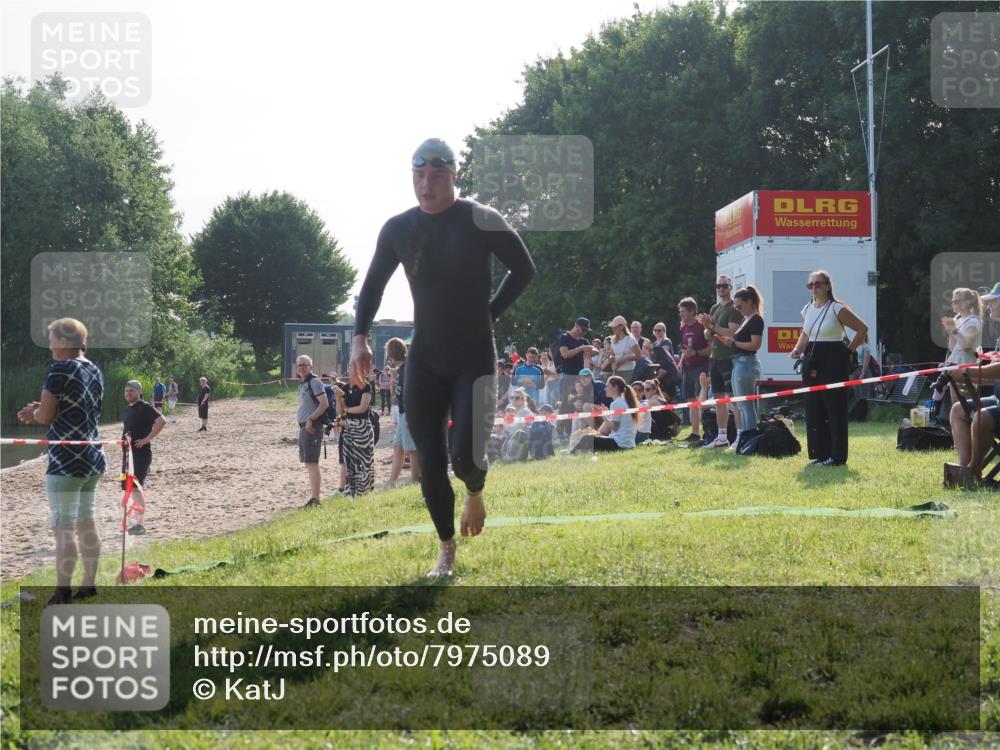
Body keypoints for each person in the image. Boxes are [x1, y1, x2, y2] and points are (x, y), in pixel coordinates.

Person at [350, 137, 534, 576]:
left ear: (454, 176)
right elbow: (373, 285)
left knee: (465, 457)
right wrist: (359, 337)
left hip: (473, 356)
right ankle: (446, 548)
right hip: (426, 358)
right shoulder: (398, 228)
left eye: (436, 174)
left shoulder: (480, 219)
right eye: (419, 175)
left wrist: (489, 314)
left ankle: (475, 488)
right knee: (428, 462)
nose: (426, 183)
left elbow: (524, 269)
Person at [17, 318, 106, 604]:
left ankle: (62, 593)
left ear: (65, 343)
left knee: (63, 527)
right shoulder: (93, 369)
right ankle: (89, 585)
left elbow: (46, 416)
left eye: (52, 338)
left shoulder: (59, 369)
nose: (50, 345)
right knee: (86, 522)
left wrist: (35, 413)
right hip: (93, 457)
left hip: (66, 461)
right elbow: (74, 408)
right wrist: (41, 408)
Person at [789, 270, 869, 466]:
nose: (814, 288)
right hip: (812, 359)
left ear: (827, 286)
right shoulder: (807, 308)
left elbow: (862, 329)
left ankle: (837, 456)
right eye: (811, 285)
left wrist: (848, 350)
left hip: (833, 358)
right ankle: (820, 453)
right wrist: (798, 349)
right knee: (814, 406)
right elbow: (805, 334)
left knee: (835, 408)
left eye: (818, 284)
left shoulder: (836, 308)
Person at [697, 275, 743, 448]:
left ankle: (739, 436)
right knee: (718, 399)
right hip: (714, 358)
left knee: (733, 399)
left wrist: (712, 327)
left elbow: (731, 333)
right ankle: (722, 437)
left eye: (724, 286)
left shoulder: (734, 308)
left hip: (729, 358)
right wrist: (708, 327)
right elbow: (707, 335)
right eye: (718, 286)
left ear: (730, 287)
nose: (721, 289)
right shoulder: (715, 307)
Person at [718, 285, 765, 450]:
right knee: (741, 405)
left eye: (740, 306)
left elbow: (755, 344)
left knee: (746, 406)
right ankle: (745, 439)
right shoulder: (746, 319)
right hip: (739, 362)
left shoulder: (756, 319)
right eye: (736, 307)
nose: (738, 309)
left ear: (750, 302)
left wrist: (734, 343)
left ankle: (750, 439)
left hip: (746, 363)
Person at [121, 380, 166, 534]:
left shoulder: (145, 407)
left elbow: (161, 421)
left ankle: (140, 525)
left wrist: (147, 439)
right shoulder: (128, 409)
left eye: (132, 391)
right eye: (126, 391)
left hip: (140, 455)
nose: (128, 393)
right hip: (128, 455)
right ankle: (136, 522)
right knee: (129, 488)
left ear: (139, 392)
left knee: (135, 487)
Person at [571, 375, 638, 452]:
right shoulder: (624, 401)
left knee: (588, 437)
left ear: (615, 387)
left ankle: (572, 453)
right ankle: (576, 451)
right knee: (592, 438)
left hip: (620, 443)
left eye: (607, 386)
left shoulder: (616, 403)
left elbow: (613, 427)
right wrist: (606, 414)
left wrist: (602, 414)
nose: (605, 389)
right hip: (628, 443)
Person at [557, 318, 600, 436]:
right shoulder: (564, 337)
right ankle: (561, 432)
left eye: (586, 331)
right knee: (566, 404)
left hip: (580, 378)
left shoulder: (583, 340)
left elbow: (596, 350)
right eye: (583, 329)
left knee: (579, 403)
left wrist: (589, 351)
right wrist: (580, 349)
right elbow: (565, 354)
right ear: (576, 325)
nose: (584, 332)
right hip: (568, 376)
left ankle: (575, 431)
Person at [296, 355, 329, 508]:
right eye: (299, 365)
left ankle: (316, 499)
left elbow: (324, 404)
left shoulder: (314, 382)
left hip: (312, 427)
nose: (302, 367)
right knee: (309, 464)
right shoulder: (303, 383)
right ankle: (314, 498)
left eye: (305, 365)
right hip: (304, 427)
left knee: (312, 463)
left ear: (311, 366)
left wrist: (310, 419)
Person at [385, 337, 419, 487]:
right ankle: (393, 481)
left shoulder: (408, 368)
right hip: (402, 412)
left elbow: (414, 394)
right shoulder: (399, 369)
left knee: (411, 449)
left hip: (410, 413)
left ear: (391, 353)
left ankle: (414, 480)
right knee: (398, 446)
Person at [678, 298, 711, 444]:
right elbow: (685, 348)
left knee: (700, 401)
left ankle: (707, 432)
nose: (681, 315)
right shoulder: (683, 327)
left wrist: (696, 353)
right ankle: (695, 433)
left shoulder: (701, 327)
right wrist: (681, 361)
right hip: (687, 367)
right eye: (680, 312)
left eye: (683, 312)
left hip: (700, 367)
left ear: (692, 311)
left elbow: (710, 349)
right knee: (691, 401)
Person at [340, 375, 375, 498]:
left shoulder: (366, 386)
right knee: (350, 461)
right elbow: (340, 411)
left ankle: (363, 491)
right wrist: (338, 397)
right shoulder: (344, 387)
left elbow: (362, 408)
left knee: (364, 460)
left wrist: (346, 409)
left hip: (362, 426)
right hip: (349, 427)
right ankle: (351, 492)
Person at [608, 315, 641, 381]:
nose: (613, 329)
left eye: (615, 327)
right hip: (616, 370)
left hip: (628, 371)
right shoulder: (613, 339)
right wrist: (611, 358)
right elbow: (612, 354)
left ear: (621, 326)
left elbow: (638, 355)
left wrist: (624, 359)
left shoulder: (630, 339)